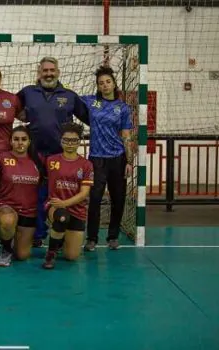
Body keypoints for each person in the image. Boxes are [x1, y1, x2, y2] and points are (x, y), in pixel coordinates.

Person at [17, 57, 90, 247]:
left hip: (61, 155)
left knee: (61, 193)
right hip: (34, 154)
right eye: (45, 70)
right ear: (39, 73)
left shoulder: (70, 96)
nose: (48, 73)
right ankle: (38, 234)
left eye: (52, 70)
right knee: (35, 194)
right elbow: (10, 109)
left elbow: (92, 118)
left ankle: (63, 229)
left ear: (58, 72)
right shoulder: (27, 92)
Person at [82, 66, 134, 251]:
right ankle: (92, 238)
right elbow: (70, 100)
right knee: (94, 199)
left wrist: (129, 161)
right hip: (96, 159)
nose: (104, 85)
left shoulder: (123, 108)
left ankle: (113, 237)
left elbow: (126, 135)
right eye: (101, 83)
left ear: (114, 84)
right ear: (97, 86)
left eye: (108, 82)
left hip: (117, 158)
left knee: (118, 199)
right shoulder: (90, 102)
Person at [42, 122, 94, 269]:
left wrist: (65, 203)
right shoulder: (51, 160)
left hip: (76, 209)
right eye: (66, 140)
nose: (70, 144)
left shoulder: (86, 165)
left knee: (71, 257)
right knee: (62, 218)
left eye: (74, 141)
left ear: (79, 142)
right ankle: (51, 253)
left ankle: (60, 239)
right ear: (61, 140)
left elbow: (84, 193)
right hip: (55, 205)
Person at [0, 126, 43, 267]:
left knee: (22, 255)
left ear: (29, 142)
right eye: (16, 139)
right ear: (10, 141)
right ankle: (6, 248)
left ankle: (8, 236)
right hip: (6, 205)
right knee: (8, 221)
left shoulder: (38, 160)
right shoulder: (2, 158)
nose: (20, 143)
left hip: (28, 210)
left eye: (23, 139)